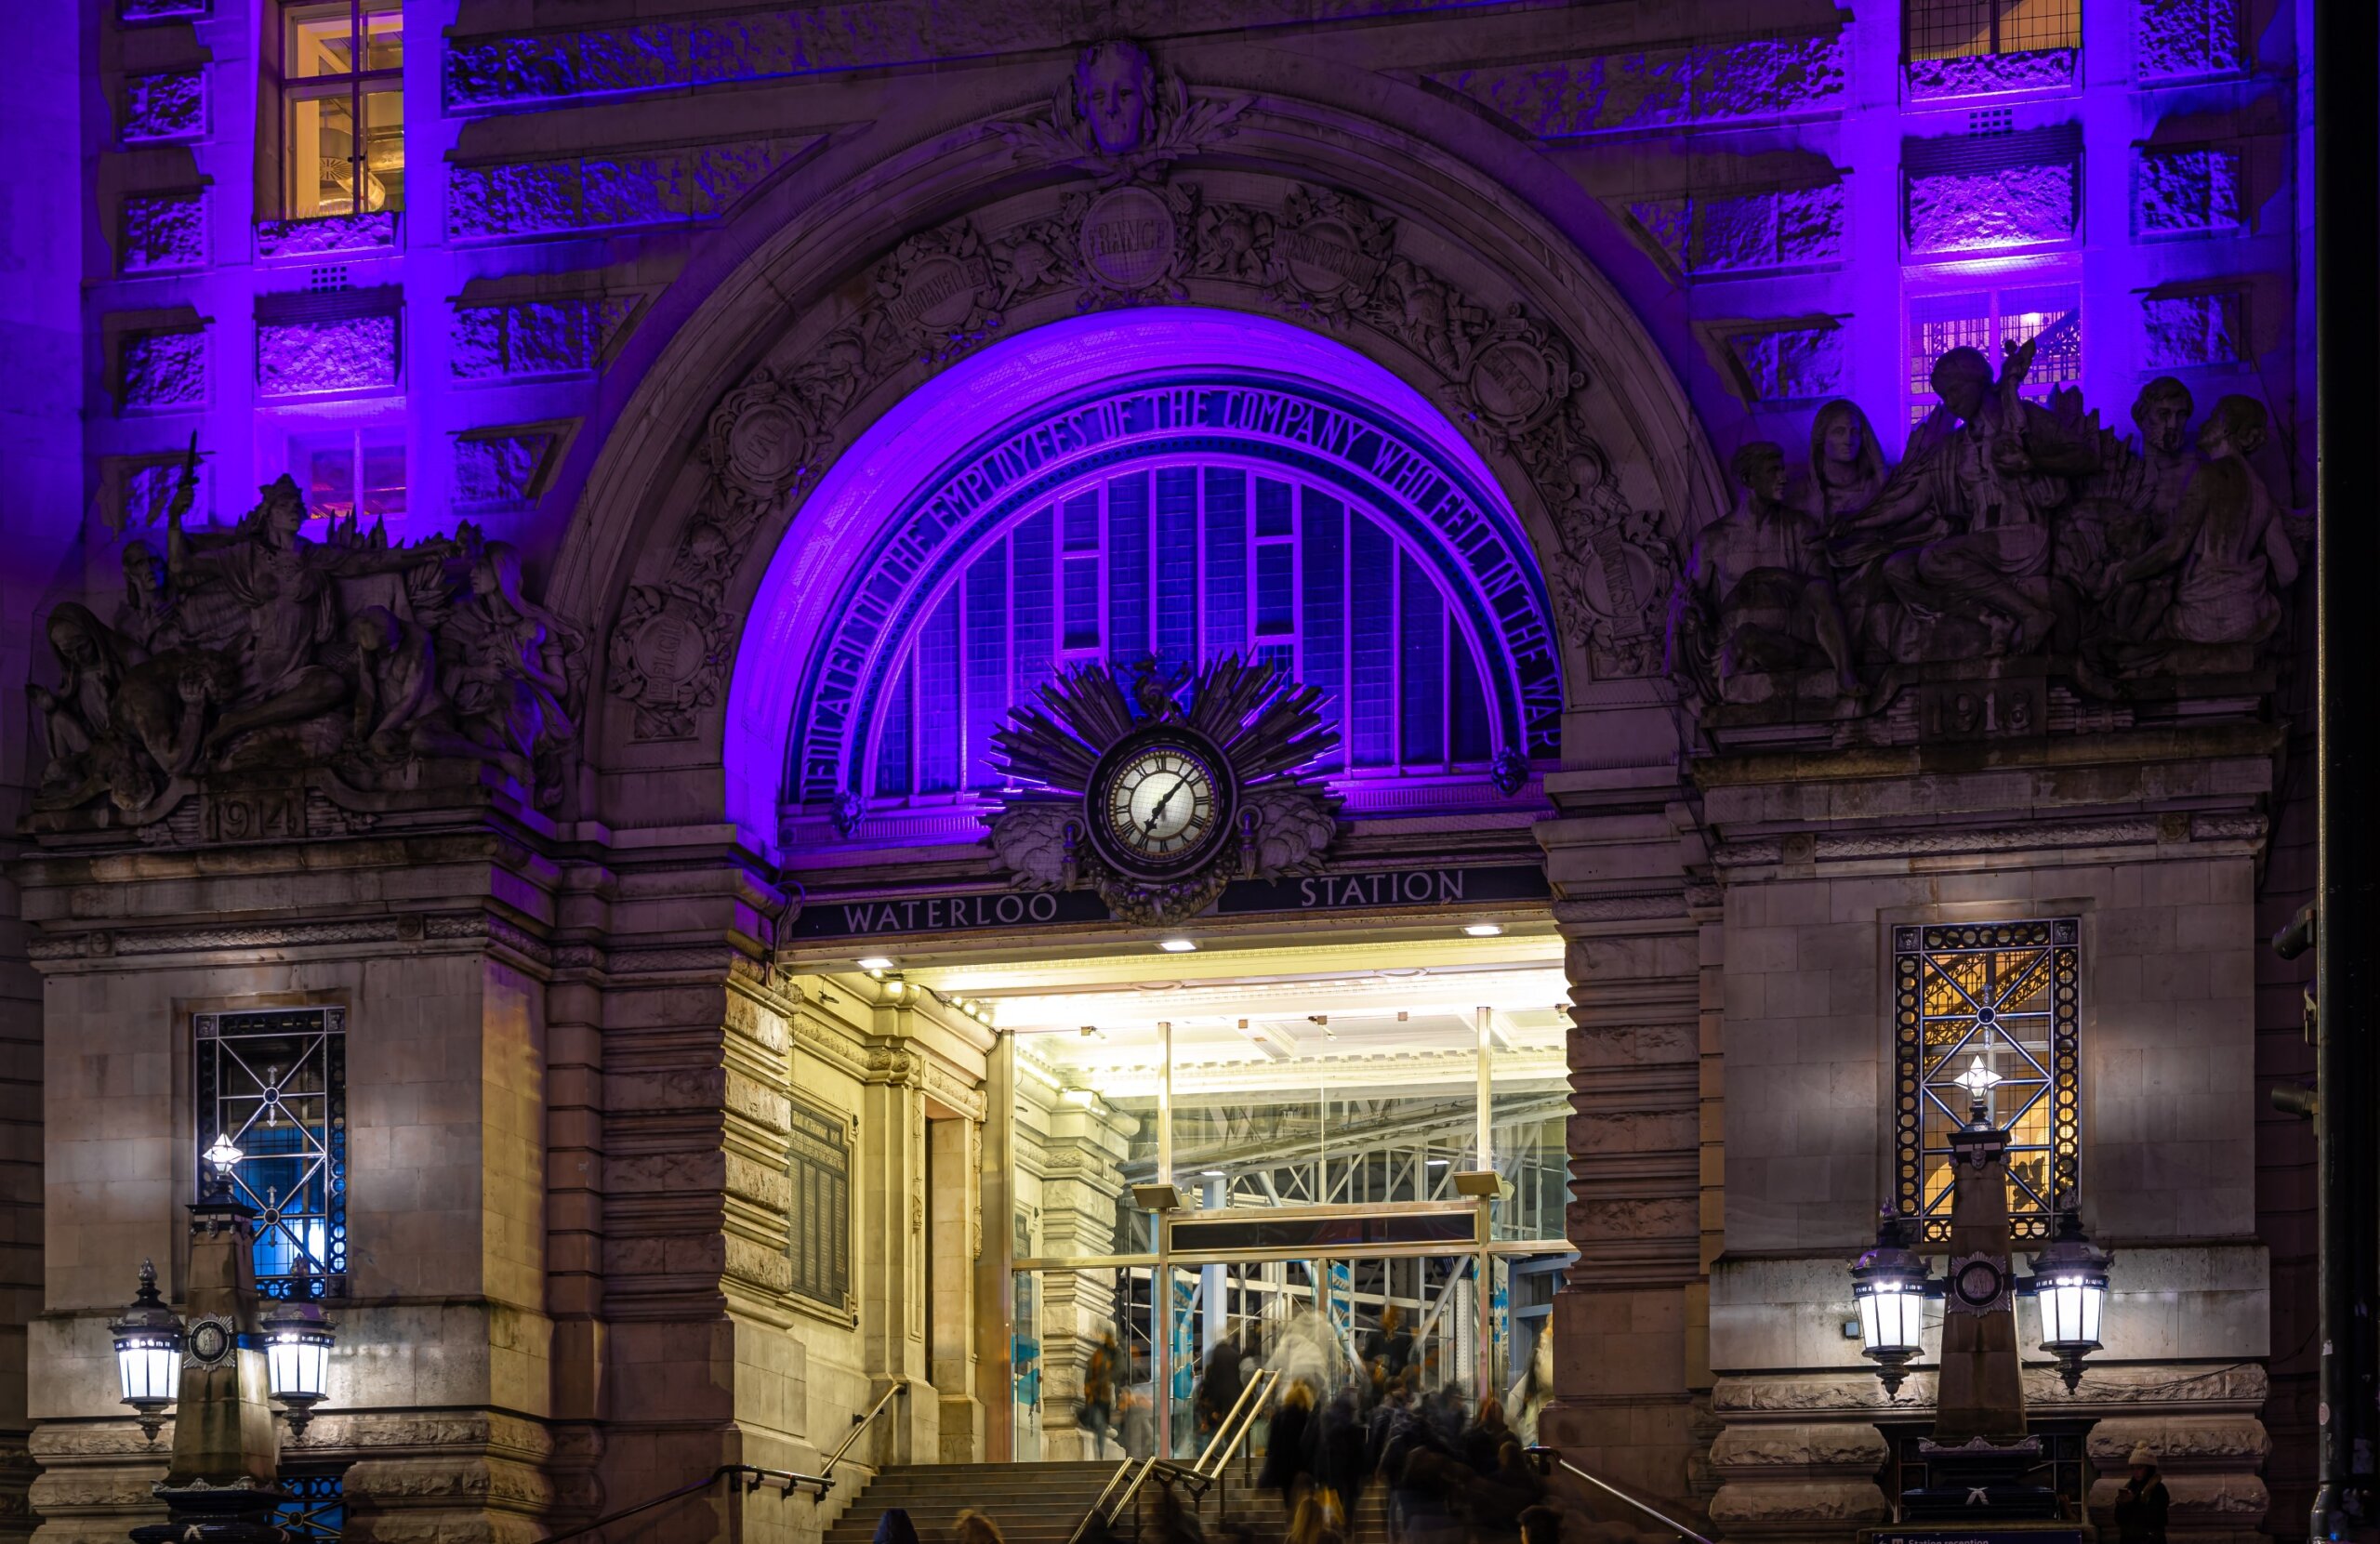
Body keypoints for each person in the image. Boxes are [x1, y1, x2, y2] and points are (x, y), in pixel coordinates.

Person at [1262, 1379, 1316, 1505]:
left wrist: (1270, 1461)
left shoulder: (1280, 1416)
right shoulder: (1308, 1417)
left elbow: (1273, 1443)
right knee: (1306, 1499)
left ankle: (1290, 1519)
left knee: (1288, 1497)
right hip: (1303, 1465)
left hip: (1284, 1465)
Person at [2113, 1445, 2168, 1544]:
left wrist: (2132, 1502)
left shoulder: (2158, 1489)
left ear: (2149, 1468)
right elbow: (2119, 1520)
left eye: (2139, 1468)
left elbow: (2156, 1518)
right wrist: (2121, 1504)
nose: (2135, 1472)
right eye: (2133, 1468)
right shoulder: (2130, 1487)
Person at [1081, 1331, 1121, 1458]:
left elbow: (1118, 1370)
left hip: (1103, 1397)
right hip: (1096, 1397)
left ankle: (1101, 1453)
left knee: (1101, 1425)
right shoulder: (1099, 1355)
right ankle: (1101, 1454)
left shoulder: (1113, 1354)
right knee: (1099, 1424)